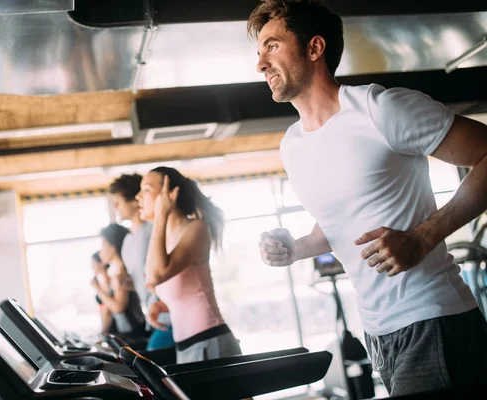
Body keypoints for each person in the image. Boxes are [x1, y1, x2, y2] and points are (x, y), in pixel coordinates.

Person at [250, 0, 487, 396]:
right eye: (258, 52)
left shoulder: (382, 109)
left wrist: (423, 236)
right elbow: (339, 223)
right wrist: (296, 247)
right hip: (378, 334)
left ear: (314, 48)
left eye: (272, 46)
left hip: (434, 319)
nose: (260, 64)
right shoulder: (293, 145)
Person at [136, 166, 241, 363]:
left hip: (210, 342)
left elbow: (155, 275)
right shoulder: (165, 239)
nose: (138, 197)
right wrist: (165, 305)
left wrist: (160, 216)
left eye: (147, 189)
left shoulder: (195, 228)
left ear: (170, 194)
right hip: (186, 346)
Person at [109, 174, 175, 350]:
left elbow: (164, 271)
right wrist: (126, 283)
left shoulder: (153, 230)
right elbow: (141, 279)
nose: (115, 206)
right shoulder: (127, 241)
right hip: (153, 315)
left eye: (119, 201)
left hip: (171, 315)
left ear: (133, 200)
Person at [91, 223, 147, 340]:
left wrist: (97, 288)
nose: (101, 251)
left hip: (134, 333)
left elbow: (118, 307)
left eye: (103, 245)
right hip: (127, 331)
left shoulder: (121, 272)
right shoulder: (114, 271)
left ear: (112, 246)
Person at [91, 251, 117, 334]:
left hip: (115, 327)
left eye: (93, 264)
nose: (92, 267)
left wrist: (103, 331)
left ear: (101, 264)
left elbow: (108, 309)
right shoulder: (102, 283)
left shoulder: (112, 281)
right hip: (107, 326)